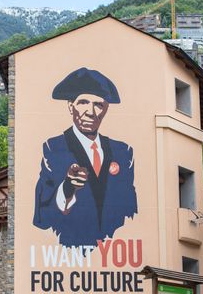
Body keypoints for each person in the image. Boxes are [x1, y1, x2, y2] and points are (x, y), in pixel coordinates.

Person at [33, 67, 138, 247]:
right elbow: (42, 216)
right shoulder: (53, 148)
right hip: (69, 252)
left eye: (98, 104)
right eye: (83, 102)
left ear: (106, 109)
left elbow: (131, 211)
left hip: (112, 256)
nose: (91, 111)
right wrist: (67, 189)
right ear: (70, 105)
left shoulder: (123, 152)